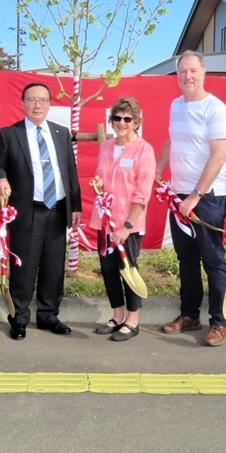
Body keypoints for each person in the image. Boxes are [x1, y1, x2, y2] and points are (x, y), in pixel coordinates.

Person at [0, 82, 82, 341]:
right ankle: (18, 318)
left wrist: (75, 206)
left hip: (57, 209)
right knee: (24, 267)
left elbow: (70, 172)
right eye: (32, 99)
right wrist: (0, 179)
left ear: (50, 104)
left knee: (54, 267)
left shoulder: (61, 133)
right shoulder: (10, 134)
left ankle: (48, 315)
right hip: (26, 211)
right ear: (23, 103)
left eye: (42, 100)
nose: (37, 105)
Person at [158, 50, 226, 347]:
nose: (187, 76)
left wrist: (195, 196)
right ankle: (189, 315)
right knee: (186, 259)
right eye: (182, 72)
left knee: (213, 261)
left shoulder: (216, 109)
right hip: (179, 196)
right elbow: (171, 140)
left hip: (208, 197)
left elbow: (217, 157)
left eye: (193, 71)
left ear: (203, 73)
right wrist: (156, 168)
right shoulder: (176, 105)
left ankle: (220, 321)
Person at [89, 97, 156, 342]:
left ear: (136, 122)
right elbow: (101, 175)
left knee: (128, 270)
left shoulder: (144, 150)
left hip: (128, 224)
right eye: (117, 118)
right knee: (107, 269)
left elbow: (143, 192)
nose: (121, 122)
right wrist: (98, 182)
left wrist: (127, 227)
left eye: (127, 118)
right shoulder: (106, 146)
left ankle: (133, 319)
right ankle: (117, 315)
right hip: (105, 222)